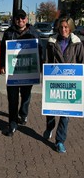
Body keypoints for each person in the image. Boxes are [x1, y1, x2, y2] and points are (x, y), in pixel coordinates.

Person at [43, 16, 84, 153]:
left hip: (70, 84)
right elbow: (47, 61)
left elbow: (81, 62)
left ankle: (60, 141)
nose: (63, 29)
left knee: (65, 114)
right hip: (54, 82)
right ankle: (50, 127)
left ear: (71, 27)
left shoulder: (77, 43)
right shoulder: (52, 42)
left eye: (66, 27)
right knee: (51, 110)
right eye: (61, 27)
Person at [0, 9, 43, 137]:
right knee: (12, 98)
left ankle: (23, 114)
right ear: (14, 20)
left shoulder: (34, 33)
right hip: (13, 72)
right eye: (18, 18)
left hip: (28, 70)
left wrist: (40, 66)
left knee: (26, 95)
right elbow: (3, 50)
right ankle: (13, 123)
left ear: (26, 19)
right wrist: (2, 65)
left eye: (23, 18)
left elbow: (40, 50)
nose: (20, 20)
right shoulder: (8, 33)